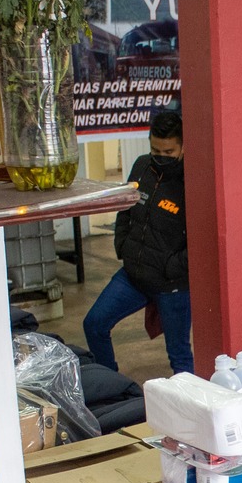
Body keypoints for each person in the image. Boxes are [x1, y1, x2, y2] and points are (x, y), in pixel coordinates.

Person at [82, 109, 192, 376]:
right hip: (134, 274)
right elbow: (126, 208)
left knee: (178, 355)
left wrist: (173, 267)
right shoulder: (142, 166)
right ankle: (110, 386)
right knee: (94, 324)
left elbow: (201, 238)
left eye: (169, 152)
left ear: (183, 147)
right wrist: (123, 245)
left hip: (171, 286)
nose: (162, 157)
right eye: (156, 150)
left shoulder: (192, 179)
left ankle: (191, 409)